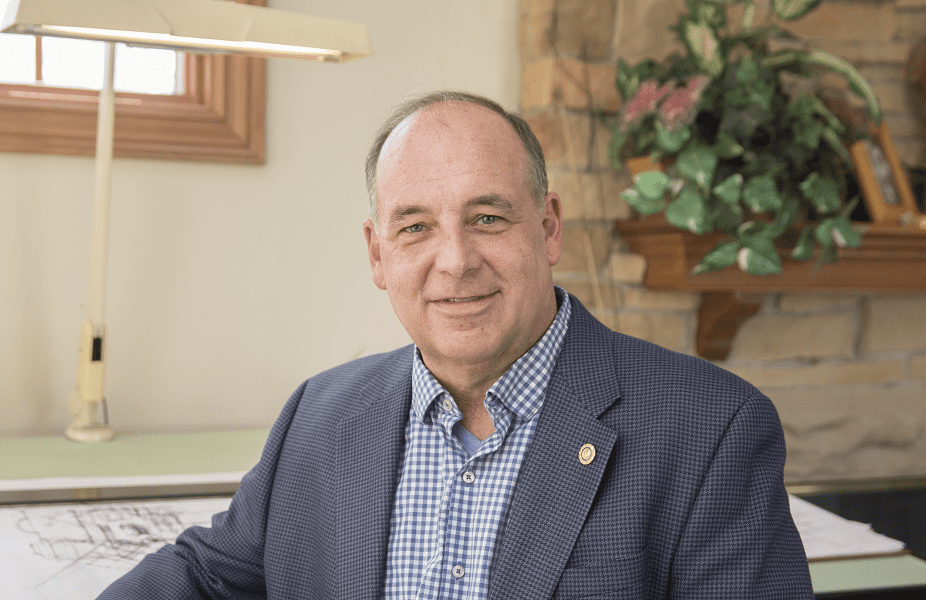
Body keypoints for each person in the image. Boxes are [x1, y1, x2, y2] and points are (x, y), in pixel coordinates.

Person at [98, 91, 814, 599]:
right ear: (378, 256)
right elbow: (210, 575)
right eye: (415, 227)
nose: (455, 260)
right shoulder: (318, 415)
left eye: (488, 217)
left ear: (549, 226)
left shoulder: (711, 428)